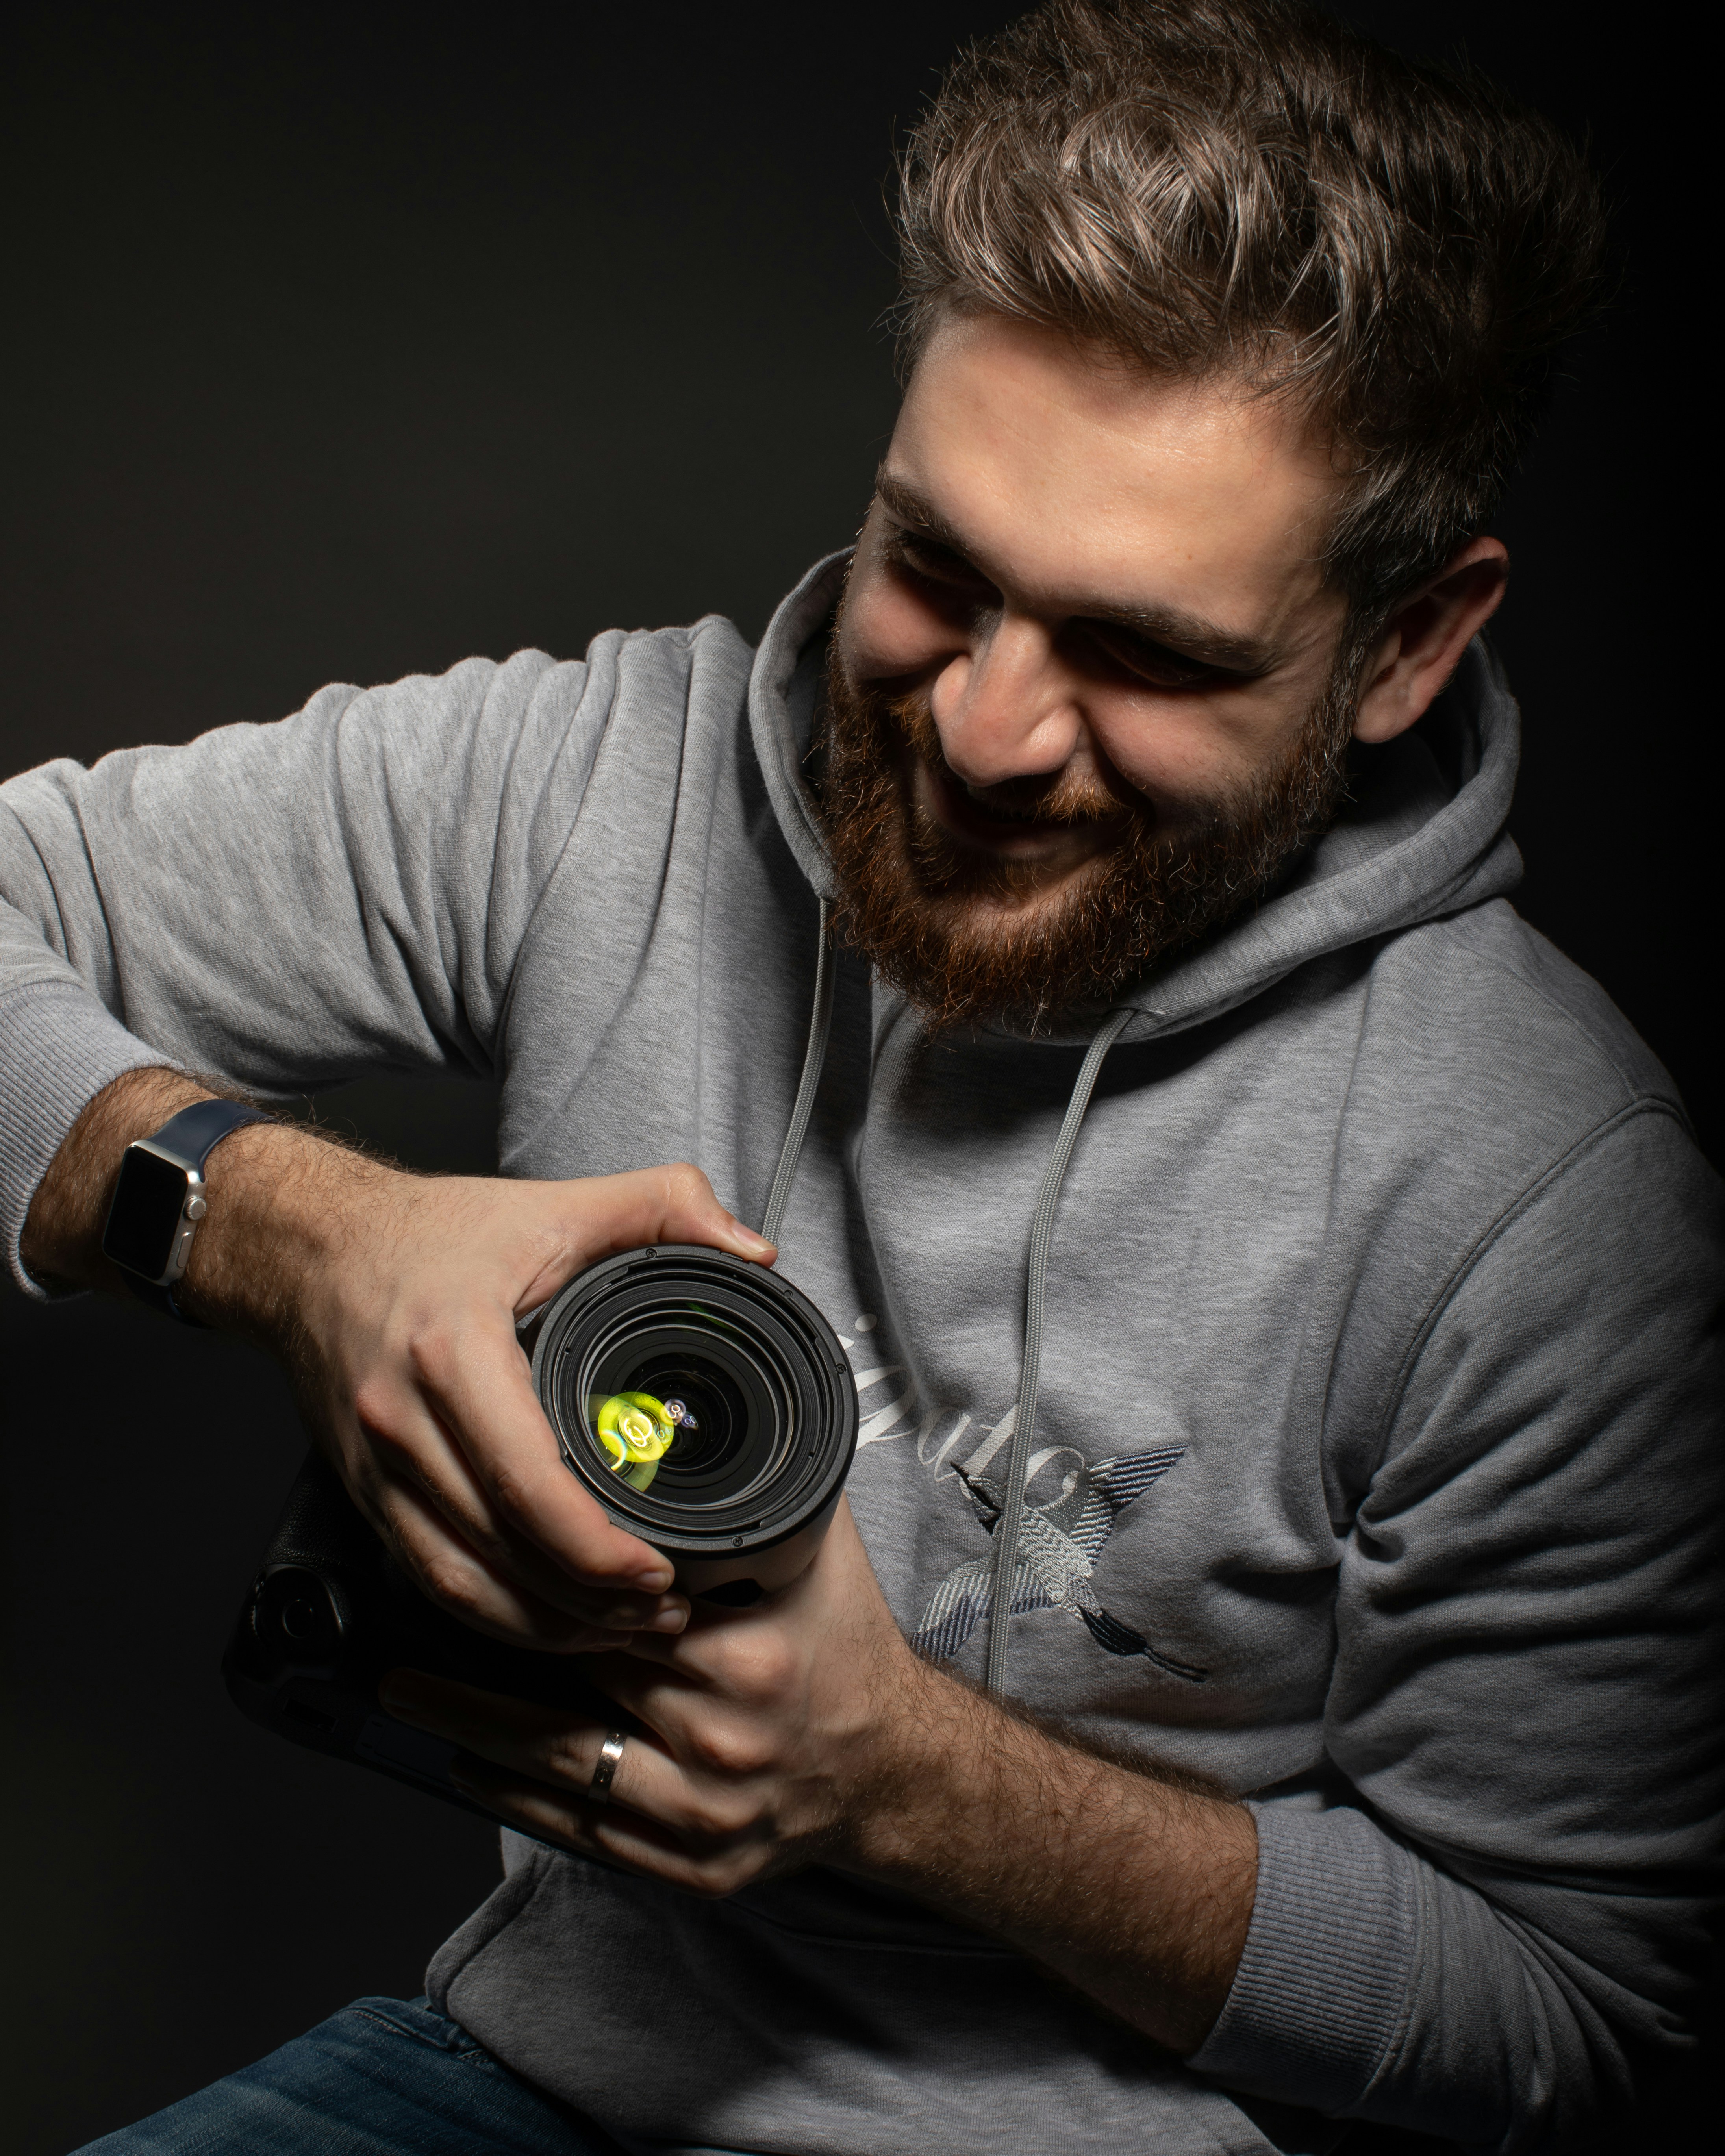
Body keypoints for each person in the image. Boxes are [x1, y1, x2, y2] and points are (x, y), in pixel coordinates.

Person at [2, 2, 1718, 2150]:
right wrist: (289, 1227)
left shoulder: (1546, 1182)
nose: (985, 731)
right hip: (510, 2076)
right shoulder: (595, 786)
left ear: (1405, 644)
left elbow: (1571, 2000)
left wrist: (906, 1777)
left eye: (1147, 649)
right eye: (938, 567)